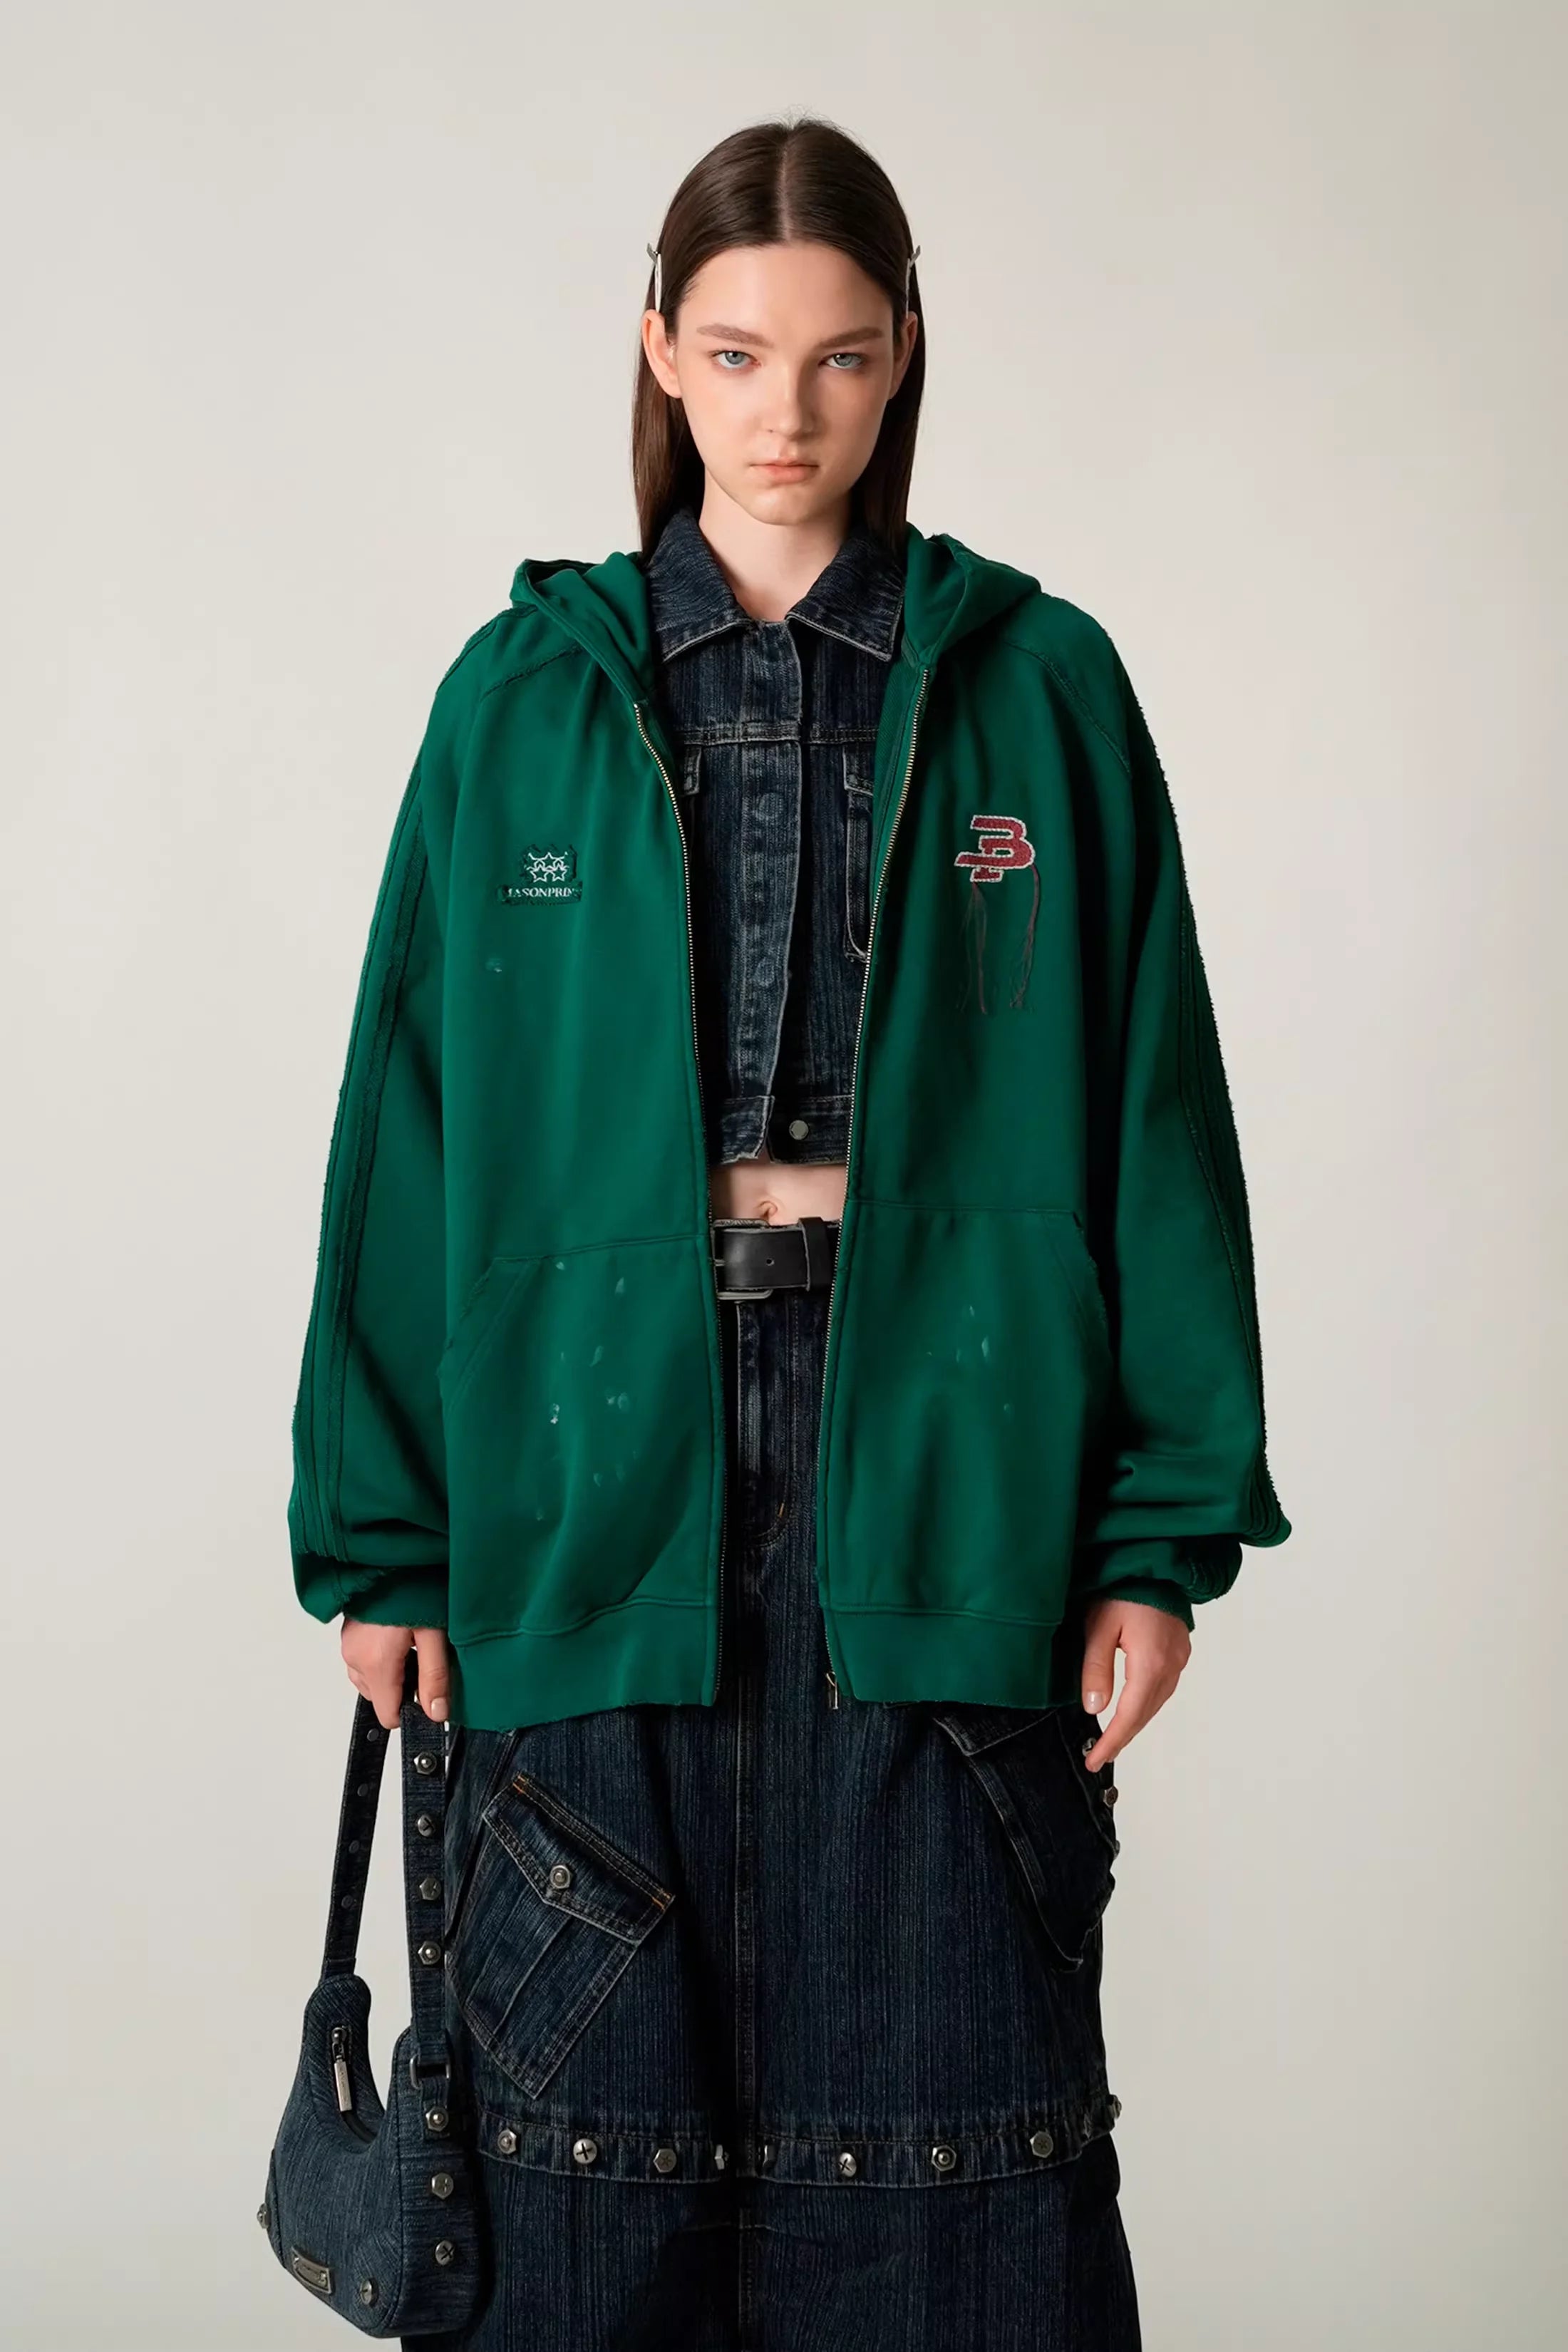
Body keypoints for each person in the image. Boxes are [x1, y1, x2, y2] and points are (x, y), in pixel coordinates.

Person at [286, 115, 1290, 2352]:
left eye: (840, 357)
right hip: (588, 1484)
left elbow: (1154, 1107)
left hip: (943, 1459)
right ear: (658, 343)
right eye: (737, 354)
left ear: (904, 351)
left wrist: (1156, 1536)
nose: (787, 413)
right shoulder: (516, 702)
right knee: (579, 2211)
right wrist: (384, 1536)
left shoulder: (1042, 686)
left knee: (956, 2220)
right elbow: (404, 1127)